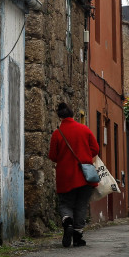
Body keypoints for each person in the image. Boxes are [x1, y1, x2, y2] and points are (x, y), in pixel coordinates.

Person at [48, 101, 100, 247]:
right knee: (81, 205)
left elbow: (52, 156)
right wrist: (85, 156)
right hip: (85, 175)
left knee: (66, 203)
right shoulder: (84, 129)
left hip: (66, 176)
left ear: (59, 117)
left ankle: (67, 221)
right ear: (72, 115)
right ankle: (78, 236)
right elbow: (95, 149)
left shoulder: (57, 134)